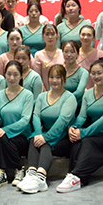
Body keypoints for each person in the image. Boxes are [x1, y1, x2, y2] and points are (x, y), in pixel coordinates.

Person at [57, 60, 103, 193]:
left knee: (86, 141)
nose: (96, 76)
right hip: (93, 133)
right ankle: (77, 176)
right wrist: (74, 127)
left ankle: (76, 175)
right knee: (76, 141)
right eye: (93, 73)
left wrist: (83, 133)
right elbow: (82, 116)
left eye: (99, 73)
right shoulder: (87, 93)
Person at [18, 64, 77, 194]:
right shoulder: (42, 96)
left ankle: (41, 178)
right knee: (34, 139)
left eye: (58, 77)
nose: (54, 80)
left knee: (45, 144)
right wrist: (39, 133)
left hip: (63, 137)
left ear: (64, 79)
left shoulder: (69, 98)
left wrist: (45, 137)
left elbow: (62, 121)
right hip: (46, 133)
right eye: (51, 77)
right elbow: (36, 115)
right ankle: (31, 174)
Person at [0, 61, 35, 189]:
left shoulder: (27, 95)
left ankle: (18, 168)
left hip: (22, 137)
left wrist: (5, 130)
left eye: (15, 74)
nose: (12, 78)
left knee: (2, 137)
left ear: (21, 76)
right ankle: (1, 172)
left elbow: (25, 120)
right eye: (9, 74)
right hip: (4, 137)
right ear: (4, 75)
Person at [32, 22, 63, 88]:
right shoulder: (39, 55)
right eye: (47, 34)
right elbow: (38, 78)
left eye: (52, 34)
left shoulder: (63, 54)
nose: (50, 37)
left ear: (57, 35)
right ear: (43, 36)